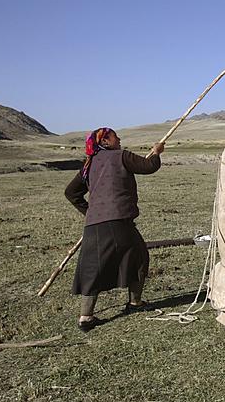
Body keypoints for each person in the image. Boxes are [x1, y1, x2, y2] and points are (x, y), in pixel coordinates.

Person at [64, 127, 165, 332]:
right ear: (106, 142)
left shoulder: (88, 165)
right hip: (119, 221)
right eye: (114, 136)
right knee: (139, 256)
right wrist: (156, 152)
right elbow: (148, 167)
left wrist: (90, 212)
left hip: (94, 225)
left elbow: (71, 193)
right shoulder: (121, 156)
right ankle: (135, 303)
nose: (118, 138)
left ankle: (86, 317)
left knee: (93, 267)